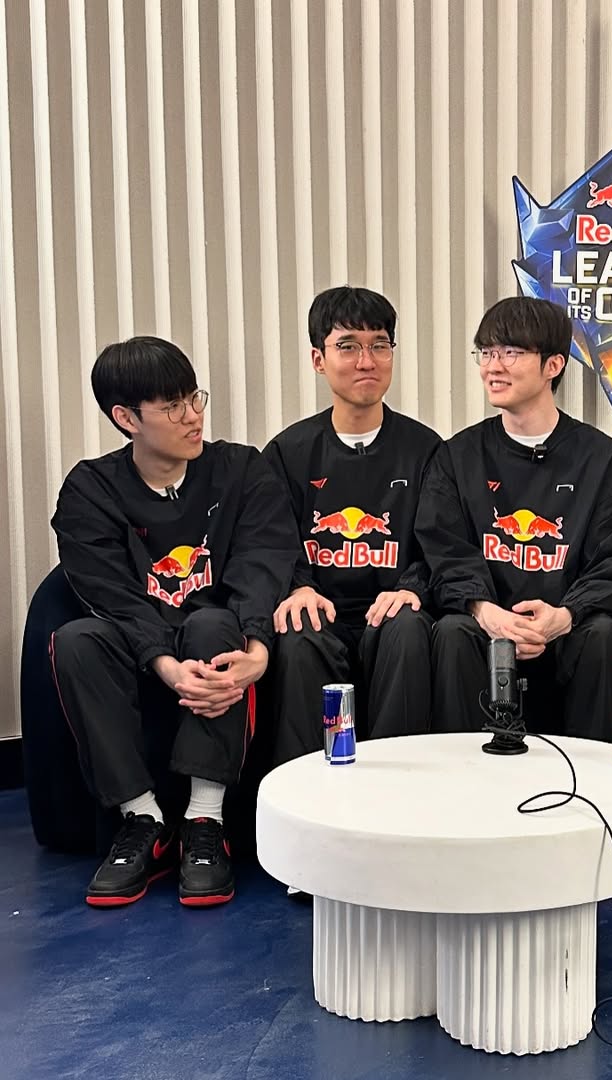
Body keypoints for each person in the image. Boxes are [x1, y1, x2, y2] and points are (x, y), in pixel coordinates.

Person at [50, 337, 298, 908]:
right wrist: (163, 663)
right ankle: (143, 820)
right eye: (172, 407)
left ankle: (205, 821)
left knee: (213, 625)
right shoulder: (90, 488)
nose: (193, 416)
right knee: (76, 640)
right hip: (138, 639)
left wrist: (257, 648)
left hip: (217, 632)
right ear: (126, 419)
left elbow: (262, 562)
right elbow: (109, 593)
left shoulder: (241, 469)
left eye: (194, 398)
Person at [416, 297, 612, 740]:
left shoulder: (604, 462)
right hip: (486, 625)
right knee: (451, 630)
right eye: (486, 352)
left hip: (567, 628)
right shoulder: (457, 457)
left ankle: (593, 775)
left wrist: (566, 614)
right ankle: (458, 773)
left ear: (553, 365)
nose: (493, 366)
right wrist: (485, 610)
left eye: (510, 352)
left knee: (602, 632)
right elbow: (443, 549)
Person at [263, 287, 441, 764]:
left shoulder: (426, 450)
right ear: (318, 360)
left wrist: (411, 587)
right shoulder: (287, 453)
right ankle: (303, 791)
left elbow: (440, 542)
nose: (367, 361)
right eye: (348, 346)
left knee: (408, 627)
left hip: (391, 610)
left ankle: (398, 784)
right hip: (322, 611)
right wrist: (298, 587)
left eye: (379, 345)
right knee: (298, 634)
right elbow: (269, 543)